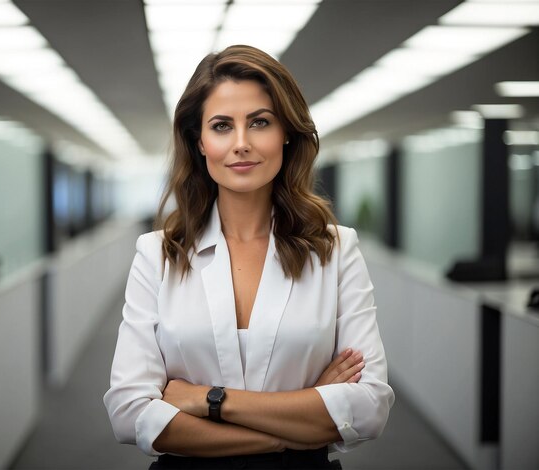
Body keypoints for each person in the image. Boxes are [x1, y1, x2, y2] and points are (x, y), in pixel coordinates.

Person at [104, 45, 394, 469]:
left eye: (259, 122)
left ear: (286, 133)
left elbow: (369, 408)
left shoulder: (335, 250)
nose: (241, 144)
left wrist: (205, 400)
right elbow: (129, 413)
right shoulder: (158, 255)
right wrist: (302, 419)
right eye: (222, 126)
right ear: (199, 142)